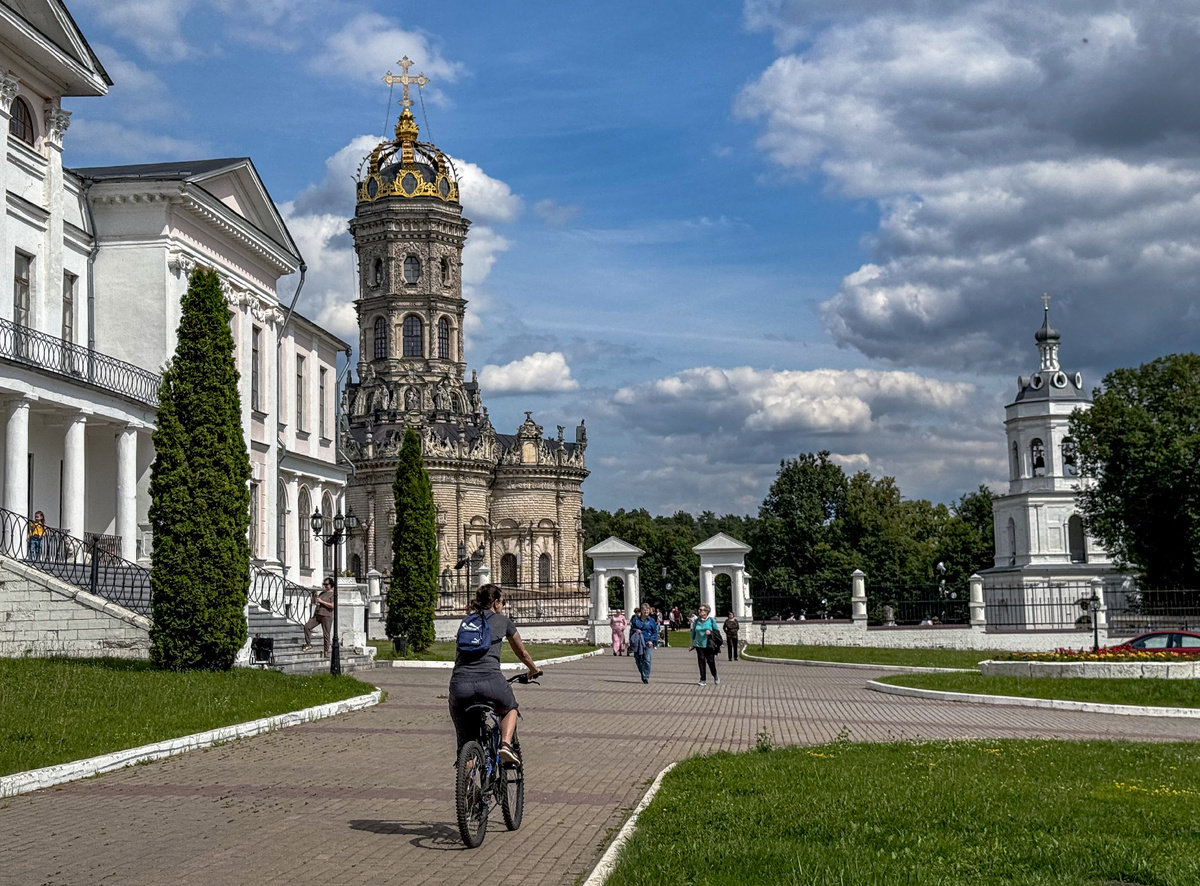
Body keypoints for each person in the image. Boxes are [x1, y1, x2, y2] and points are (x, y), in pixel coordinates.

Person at [449, 583, 540, 763]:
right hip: (491, 682)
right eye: (503, 602)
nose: (503, 606)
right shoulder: (503, 621)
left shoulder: (467, 621)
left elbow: (458, 655)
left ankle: (467, 784)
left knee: (467, 742)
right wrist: (533, 670)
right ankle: (505, 745)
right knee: (510, 707)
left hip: (460, 685)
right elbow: (522, 652)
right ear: (496, 603)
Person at [302, 577, 336, 655]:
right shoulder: (322, 593)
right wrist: (314, 599)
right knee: (307, 626)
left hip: (327, 615)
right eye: (324, 584)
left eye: (326, 584)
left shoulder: (333, 594)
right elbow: (316, 602)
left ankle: (326, 651)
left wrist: (322, 601)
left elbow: (332, 606)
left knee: (326, 634)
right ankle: (308, 644)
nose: (325, 586)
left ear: (331, 585)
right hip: (318, 614)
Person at [628, 603, 659, 683]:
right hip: (638, 642)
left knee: (647, 660)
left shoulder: (651, 621)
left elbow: (654, 632)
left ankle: (646, 676)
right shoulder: (636, 620)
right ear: (641, 610)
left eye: (647, 610)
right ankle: (642, 673)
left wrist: (651, 641)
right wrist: (636, 630)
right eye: (644, 610)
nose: (646, 612)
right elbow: (631, 630)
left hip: (648, 642)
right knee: (638, 660)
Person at [690, 604, 720, 686]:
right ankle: (702, 679)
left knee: (710, 661)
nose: (699, 611)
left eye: (701, 610)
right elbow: (693, 633)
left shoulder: (711, 620)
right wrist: (691, 644)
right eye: (699, 609)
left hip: (708, 644)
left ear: (706, 611)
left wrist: (710, 632)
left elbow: (717, 632)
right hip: (698, 644)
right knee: (701, 661)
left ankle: (715, 675)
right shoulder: (696, 621)